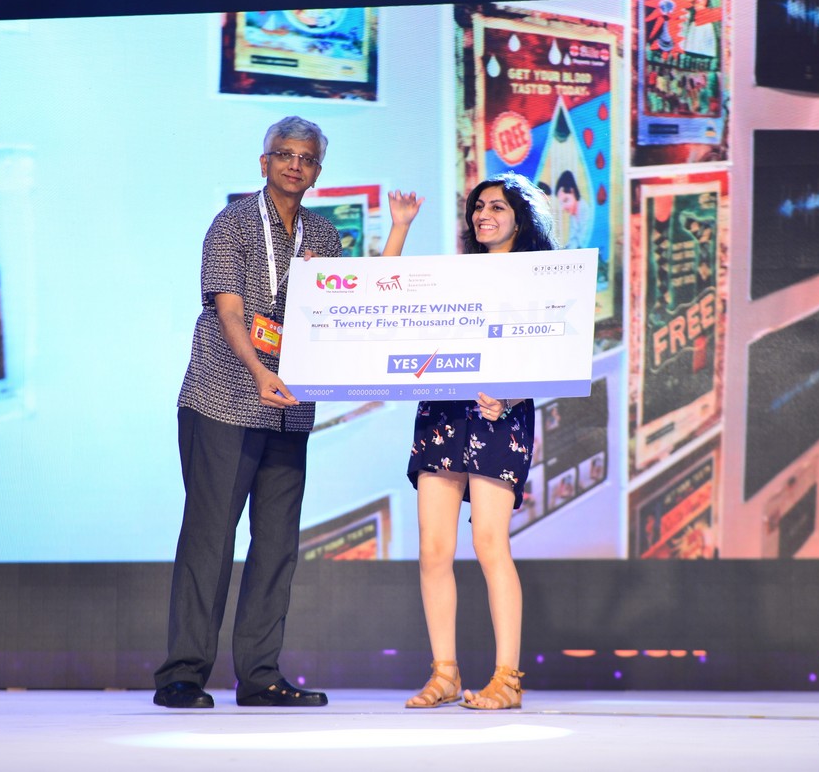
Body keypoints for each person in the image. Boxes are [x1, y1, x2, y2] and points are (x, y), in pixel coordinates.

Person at [153, 116, 417, 709]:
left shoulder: (322, 235)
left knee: (276, 545)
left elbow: (358, 303)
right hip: (225, 396)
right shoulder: (233, 222)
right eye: (284, 154)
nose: (295, 164)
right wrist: (258, 371)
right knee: (210, 539)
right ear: (264, 161)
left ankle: (260, 676)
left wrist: (388, 238)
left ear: (318, 172)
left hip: (289, 409)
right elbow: (228, 311)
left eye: (307, 158)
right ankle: (182, 675)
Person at [399, 172, 556, 711]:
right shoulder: (456, 275)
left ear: (520, 217)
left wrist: (510, 397)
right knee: (433, 548)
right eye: (478, 207)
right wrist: (400, 228)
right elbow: (381, 300)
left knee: (490, 543)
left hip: (500, 415)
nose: (483, 215)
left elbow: (553, 352)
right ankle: (444, 674)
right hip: (443, 410)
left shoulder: (540, 278)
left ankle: (507, 680)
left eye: (497, 207)